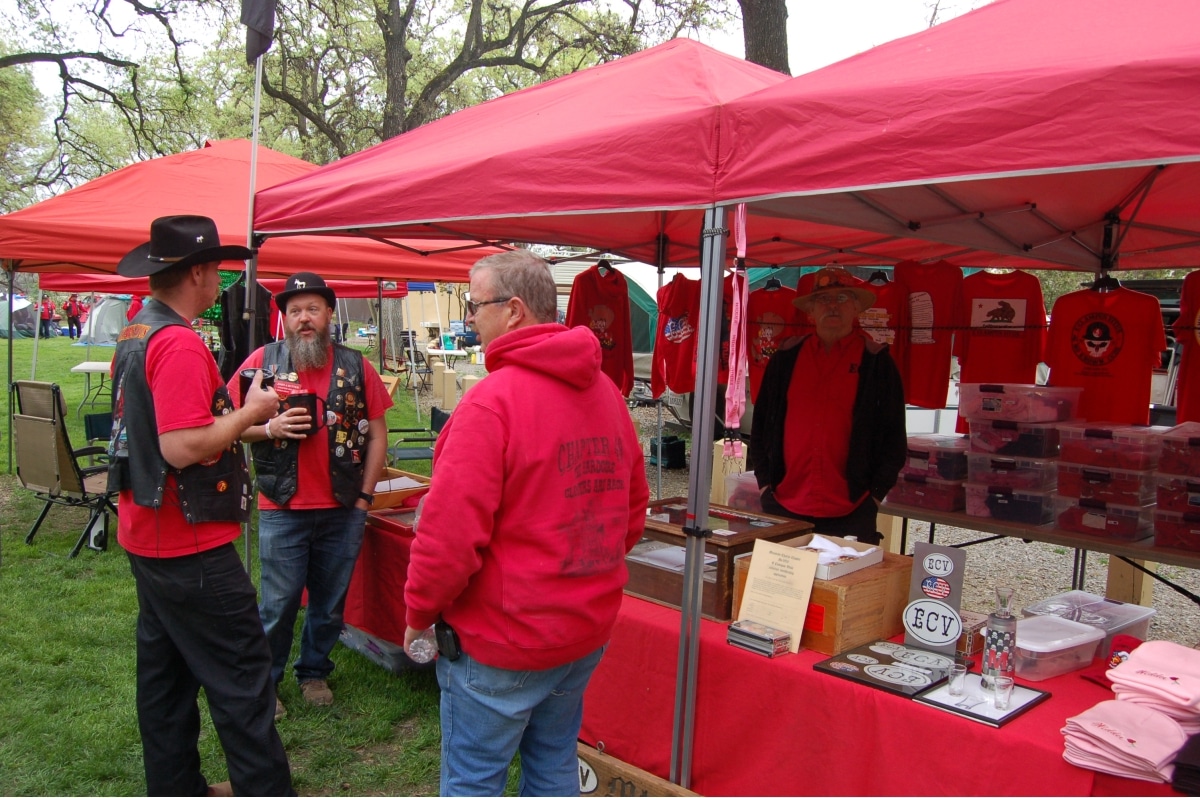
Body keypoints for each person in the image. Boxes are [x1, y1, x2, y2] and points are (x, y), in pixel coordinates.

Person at [403, 250, 649, 796]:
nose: (470, 318)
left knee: (474, 779)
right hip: (583, 631)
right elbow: (631, 514)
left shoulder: (491, 404)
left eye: (475, 305)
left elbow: (447, 540)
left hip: (504, 640)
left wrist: (418, 613)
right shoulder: (606, 394)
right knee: (554, 762)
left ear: (513, 310)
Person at [108, 215, 293, 796]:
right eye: (217, 270)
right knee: (243, 677)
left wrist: (249, 423)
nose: (221, 281)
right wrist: (252, 412)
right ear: (197, 273)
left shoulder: (137, 331)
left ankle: (177, 787)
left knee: (165, 678)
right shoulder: (178, 343)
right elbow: (182, 447)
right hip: (188, 541)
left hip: (149, 532)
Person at [234, 272, 392, 717]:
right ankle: (265, 684)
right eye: (295, 311)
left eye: (313, 309)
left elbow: (378, 434)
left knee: (329, 602)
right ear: (284, 319)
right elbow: (229, 426)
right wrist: (269, 428)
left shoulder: (357, 366)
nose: (304, 318)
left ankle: (314, 672)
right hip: (282, 505)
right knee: (278, 604)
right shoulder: (262, 363)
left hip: (343, 507)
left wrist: (364, 497)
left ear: (329, 314)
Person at [749, 266, 907, 545]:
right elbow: (760, 426)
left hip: (852, 508)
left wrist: (874, 497)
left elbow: (895, 439)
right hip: (784, 504)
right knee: (782, 575)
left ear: (856, 307)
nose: (833, 306)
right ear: (811, 310)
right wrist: (765, 485)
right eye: (823, 299)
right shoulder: (785, 359)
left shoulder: (876, 362)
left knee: (849, 574)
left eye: (842, 298)